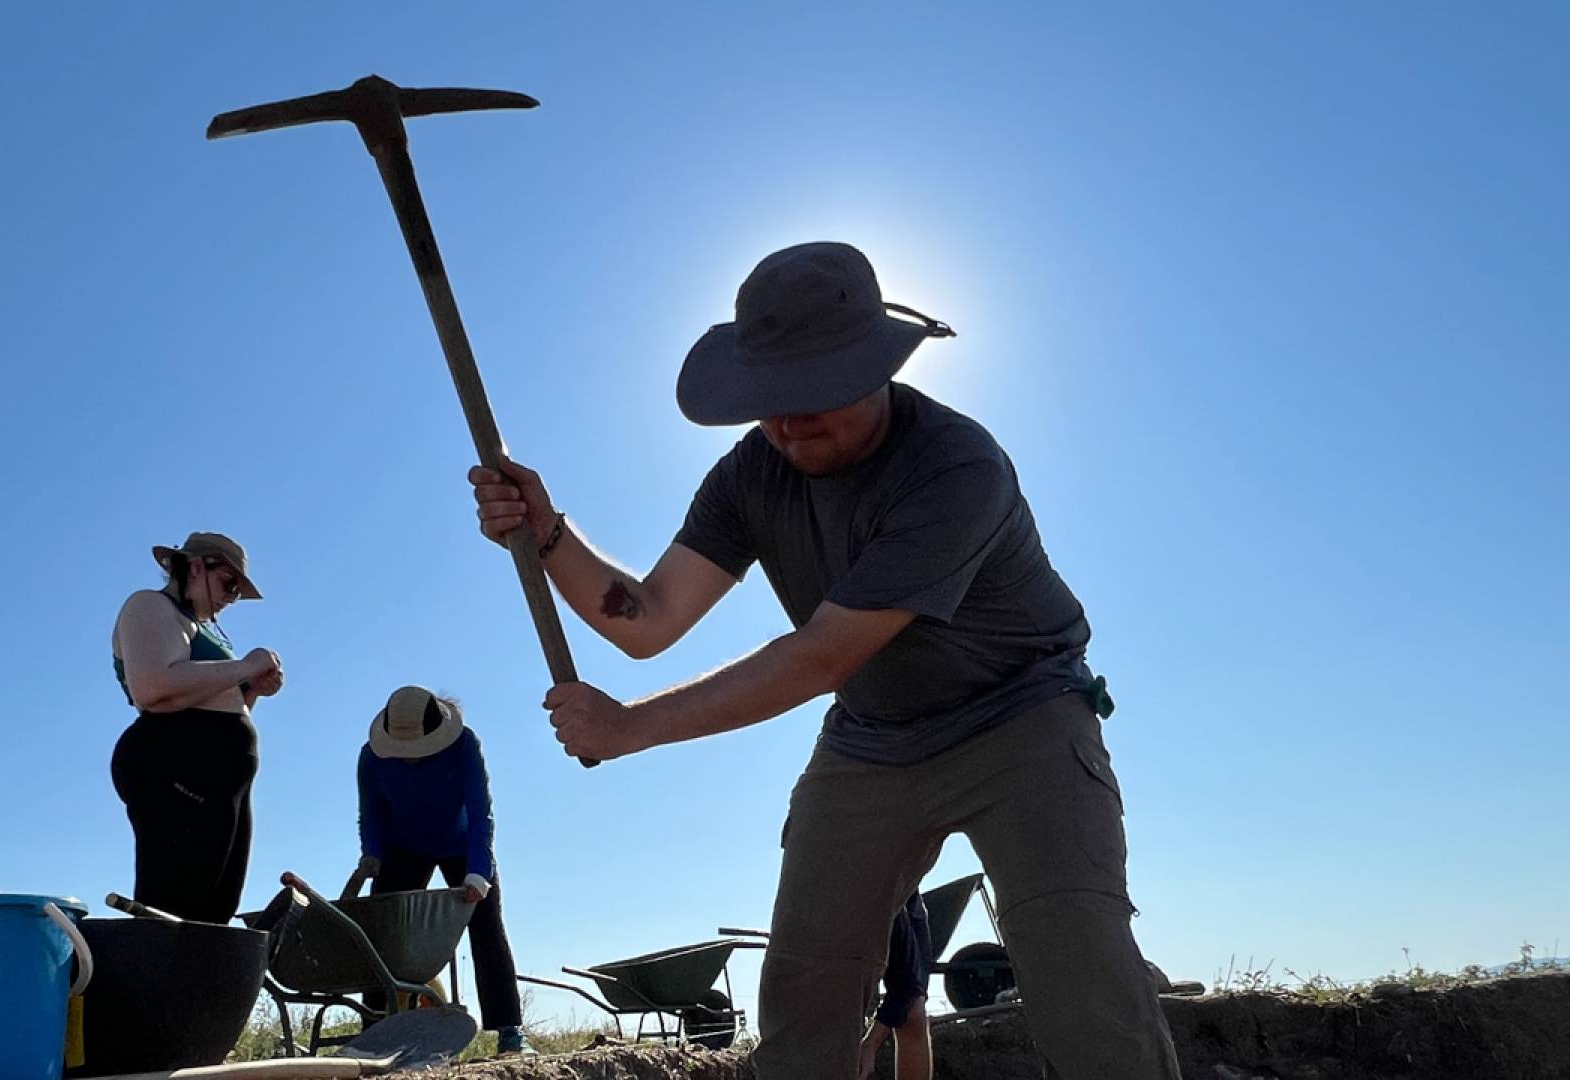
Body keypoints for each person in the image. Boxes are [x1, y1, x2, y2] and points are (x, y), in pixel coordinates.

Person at [467, 242, 1179, 1078]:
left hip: (1018, 717)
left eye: (817, 394)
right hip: (874, 738)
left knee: (1078, 966)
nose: (790, 421)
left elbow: (821, 655)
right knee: (807, 985)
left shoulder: (955, 467)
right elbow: (648, 620)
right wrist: (547, 535)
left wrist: (630, 726)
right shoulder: (750, 476)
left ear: (876, 367)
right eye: (771, 398)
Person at [110, 532, 283, 924]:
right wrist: (246, 666)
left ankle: (196, 984)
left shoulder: (198, 628)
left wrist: (250, 691)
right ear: (196, 566)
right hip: (173, 761)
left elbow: (222, 711)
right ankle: (157, 983)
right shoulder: (149, 605)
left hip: (221, 775)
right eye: (228, 583)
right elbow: (153, 688)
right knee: (172, 907)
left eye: (237, 592)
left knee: (213, 910)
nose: (230, 597)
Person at [356, 686, 533, 1057]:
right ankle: (374, 1032)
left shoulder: (464, 745)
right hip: (403, 849)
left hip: (462, 846)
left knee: (486, 929)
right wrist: (371, 854)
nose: (409, 759)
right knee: (380, 933)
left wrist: (479, 872)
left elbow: (480, 811)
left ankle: (510, 1032)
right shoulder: (371, 758)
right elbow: (372, 814)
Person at [860, 895, 933, 1080]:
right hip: (843, 895)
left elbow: (908, 988)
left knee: (912, 1010)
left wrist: (871, 1043)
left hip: (904, 890)